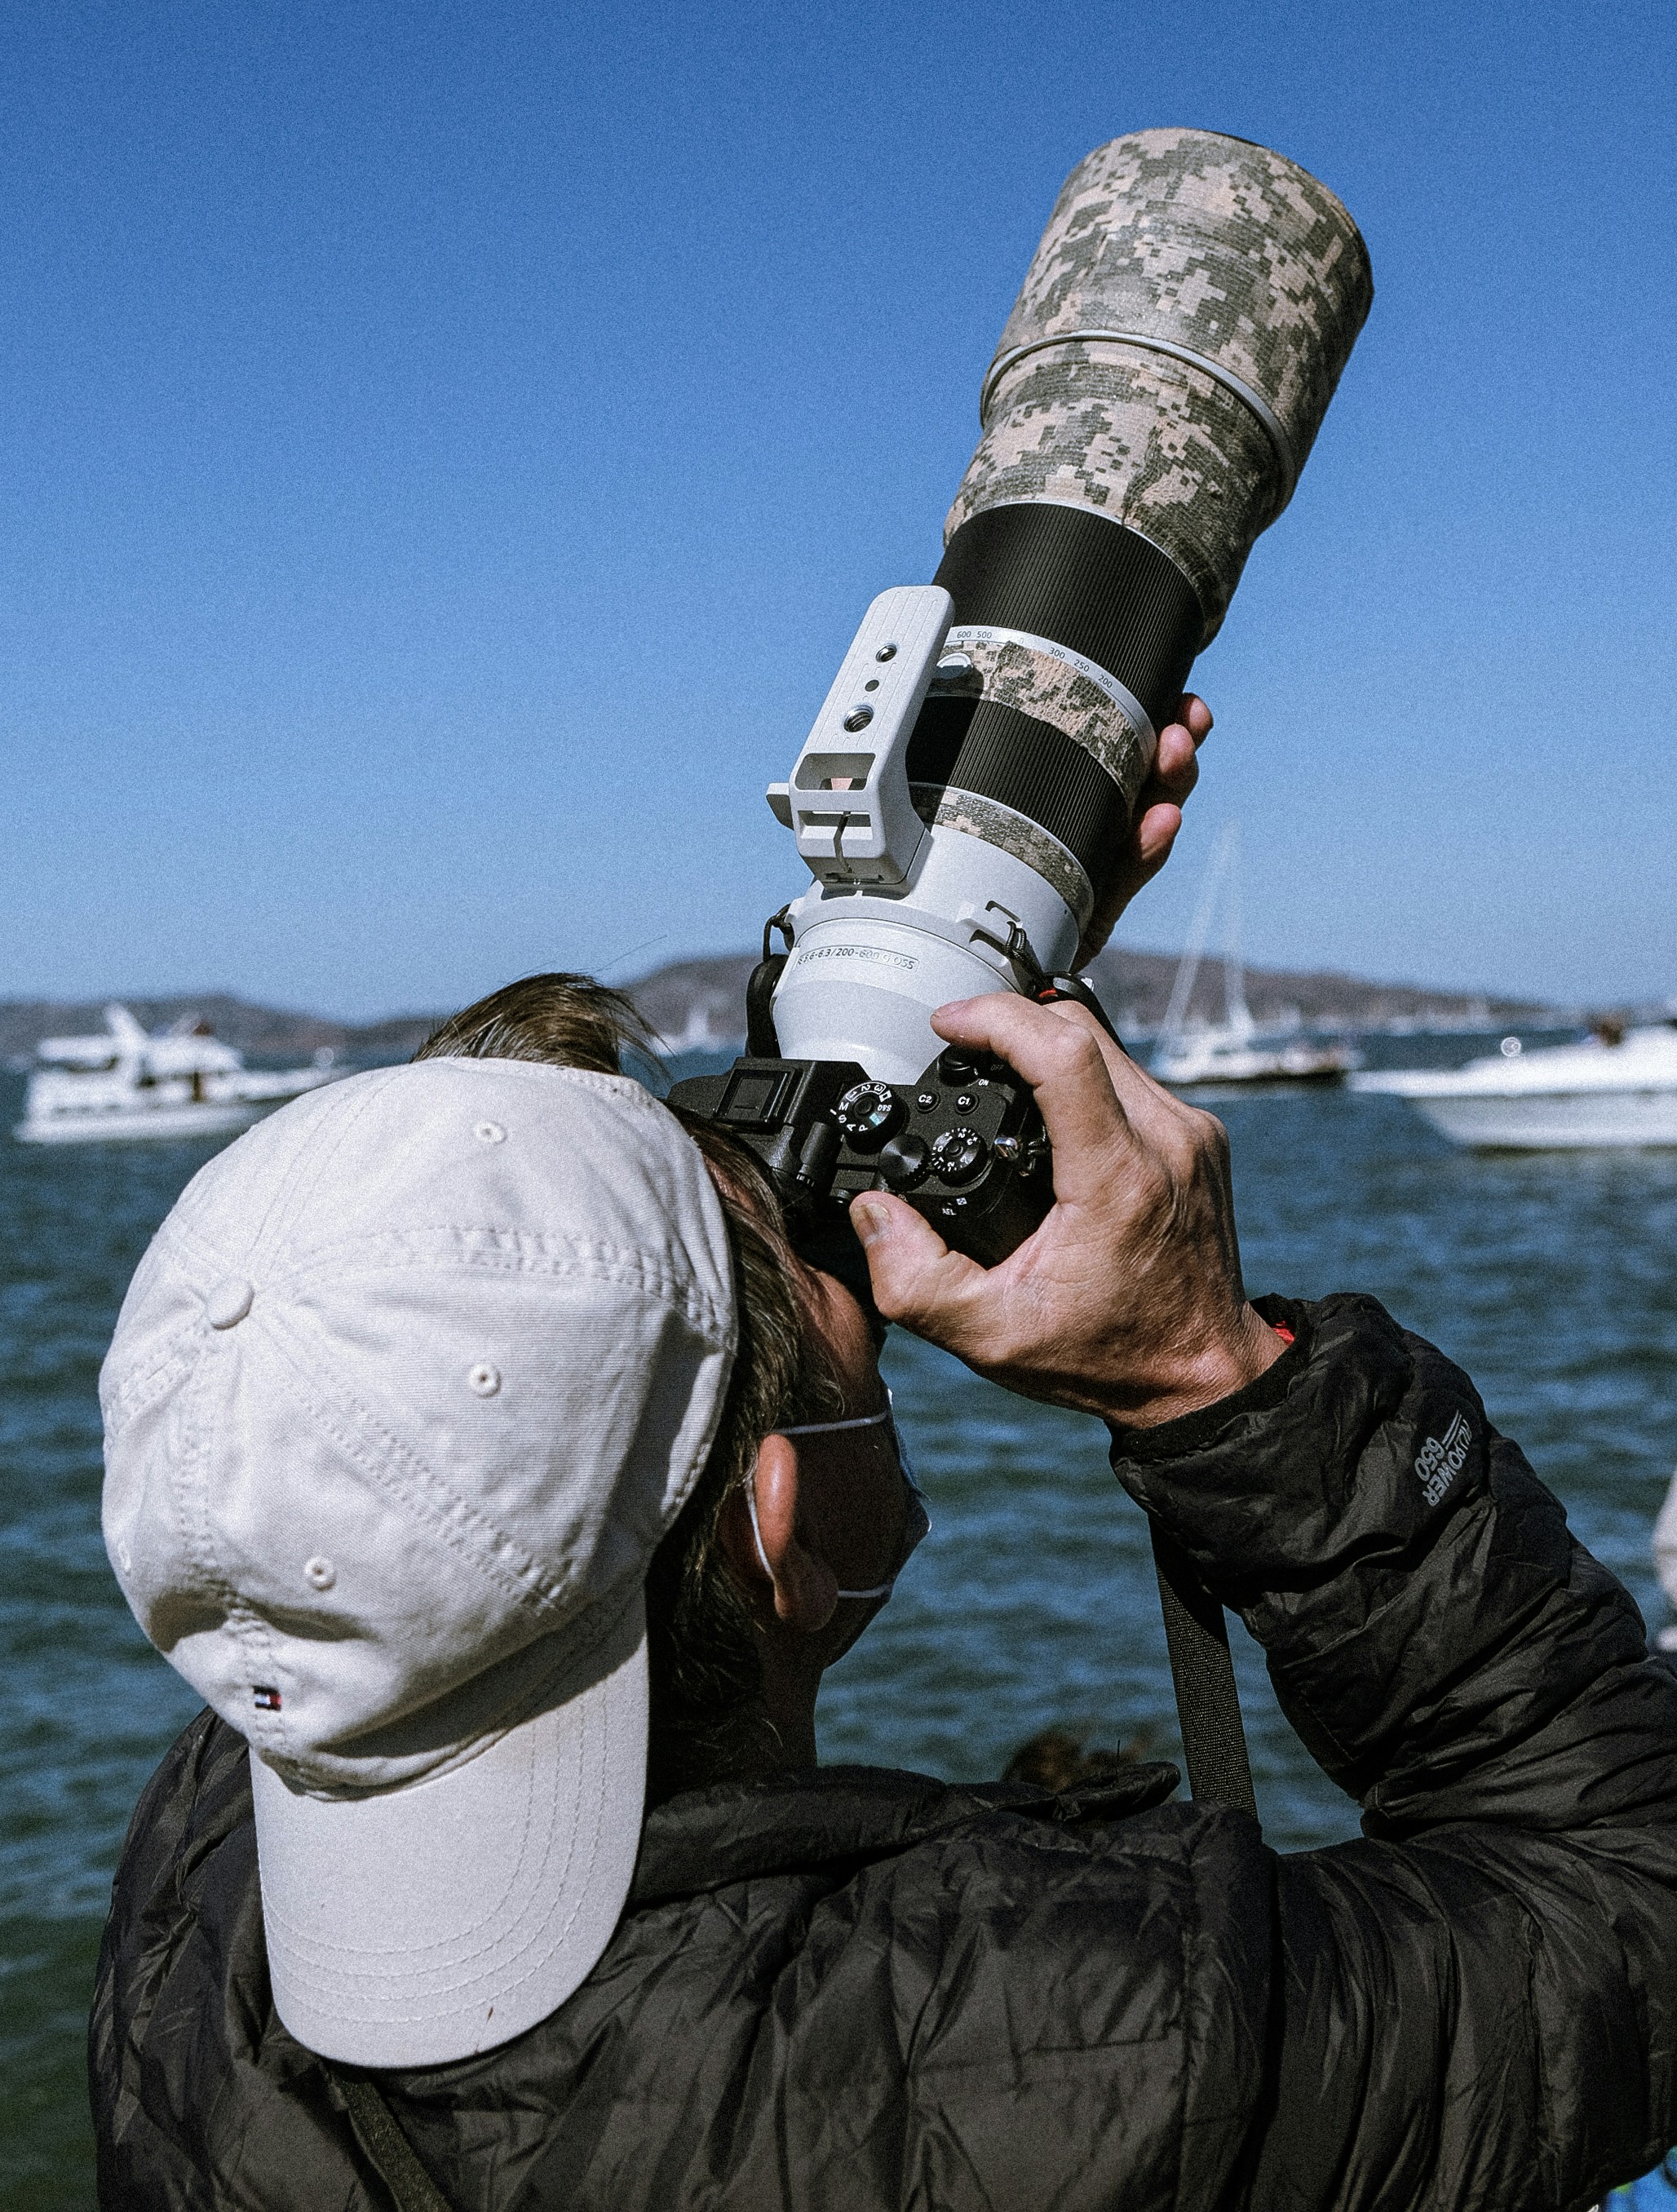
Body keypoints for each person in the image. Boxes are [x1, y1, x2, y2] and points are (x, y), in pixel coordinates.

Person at [90, 718, 1677, 2209]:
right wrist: (1206, 1373)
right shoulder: (1046, 2053)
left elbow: (462, 1467)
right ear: (771, 1531)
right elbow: (1626, 1909)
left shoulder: (215, 1860)